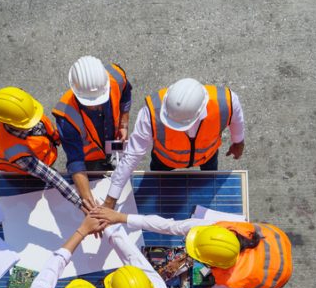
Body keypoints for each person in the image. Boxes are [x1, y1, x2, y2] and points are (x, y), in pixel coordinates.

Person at [91, 208, 292, 288]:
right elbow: (169, 226)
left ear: (216, 264)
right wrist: (122, 218)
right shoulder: (214, 228)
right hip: (276, 243)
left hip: (275, 278)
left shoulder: (232, 280)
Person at [103, 78, 245, 208]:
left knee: (208, 186)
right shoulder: (151, 113)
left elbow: (236, 119)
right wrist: (111, 198)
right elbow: (132, 155)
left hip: (207, 156)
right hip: (164, 162)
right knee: (159, 194)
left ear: (199, 112)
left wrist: (238, 142)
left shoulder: (226, 102)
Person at [52, 56, 132, 211]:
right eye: (90, 104)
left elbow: (126, 96)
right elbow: (75, 161)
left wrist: (123, 124)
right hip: (90, 160)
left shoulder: (116, 78)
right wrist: (87, 199)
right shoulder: (66, 117)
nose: (97, 106)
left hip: (113, 143)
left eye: (100, 100)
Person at [0, 87, 85, 211]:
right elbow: (50, 176)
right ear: (11, 123)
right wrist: (80, 203)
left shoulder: (28, 114)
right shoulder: (14, 151)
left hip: (44, 158)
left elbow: (49, 131)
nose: (35, 123)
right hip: (22, 175)